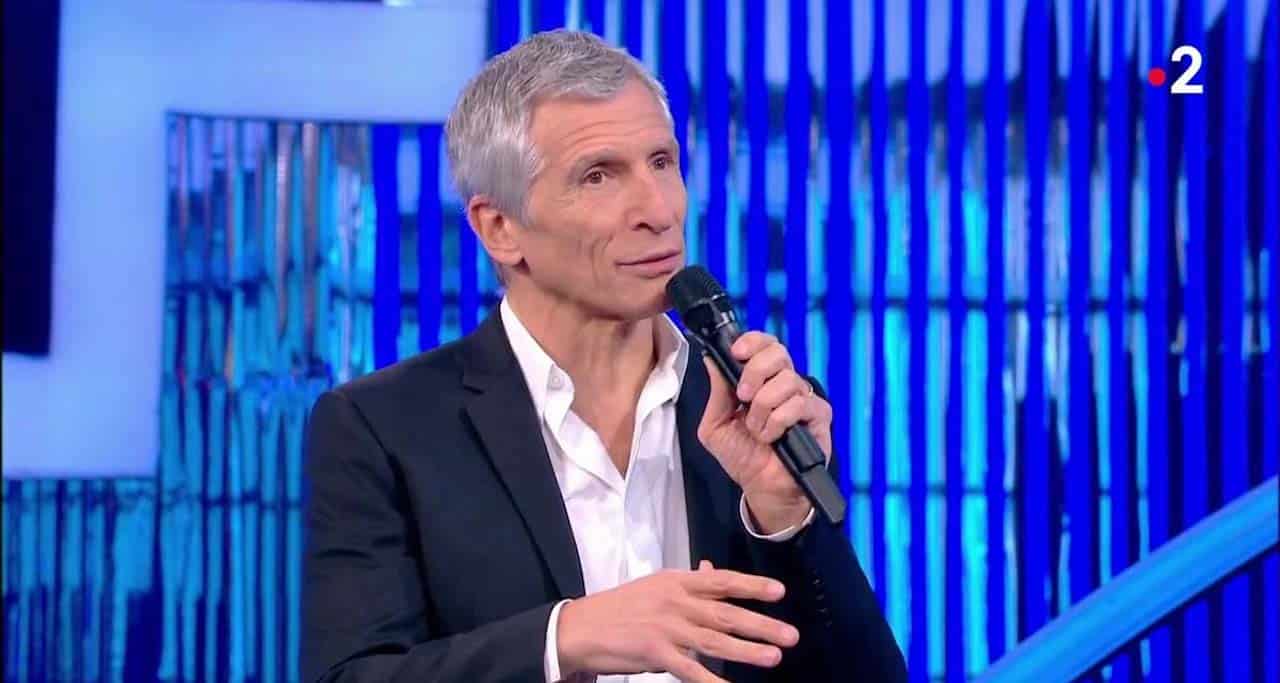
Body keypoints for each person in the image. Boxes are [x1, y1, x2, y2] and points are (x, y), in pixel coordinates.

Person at [302, 29, 906, 683]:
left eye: (662, 162)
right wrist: (564, 638)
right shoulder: (383, 428)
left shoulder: (760, 411)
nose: (658, 210)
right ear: (499, 228)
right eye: (598, 176)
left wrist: (785, 519)